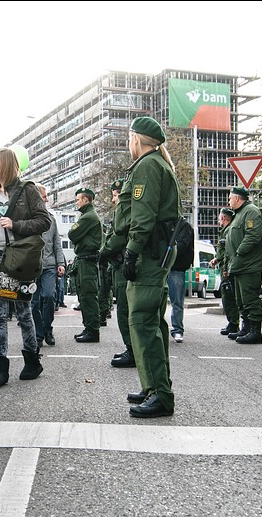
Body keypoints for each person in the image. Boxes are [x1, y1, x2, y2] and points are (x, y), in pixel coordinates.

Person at [118, 116, 182, 418]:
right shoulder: (157, 163)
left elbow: (142, 218)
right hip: (156, 251)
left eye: (129, 137)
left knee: (143, 321)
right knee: (151, 321)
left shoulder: (147, 166)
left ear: (136, 139)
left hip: (148, 253)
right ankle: (153, 385)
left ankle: (160, 393)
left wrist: (131, 251)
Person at [0, 147, 50, 389]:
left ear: (4, 163)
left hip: (19, 259)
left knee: (23, 310)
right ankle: (0, 366)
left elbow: (44, 220)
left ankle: (32, 359)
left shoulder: (27, 190)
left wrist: (16, 224)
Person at [101, 178, 136, 368]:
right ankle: (131, 348)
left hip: (123, 264)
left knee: (124, 310)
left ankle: (132, 350)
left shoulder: (126, 211)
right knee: (124, 309)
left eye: (116, 195)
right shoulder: (123, 211)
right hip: (119, 265)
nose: (114, 199)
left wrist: (104, 250)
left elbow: (118, 237)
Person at [225, 186, 262, 344]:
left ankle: (255, 332)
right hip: (240, 265)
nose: (228, 201)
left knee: (250, 298)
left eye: (230, 198)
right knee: (241, 300)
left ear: (236, 198)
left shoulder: (251, 211)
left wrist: (238, 253)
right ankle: (246, 328)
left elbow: (253, 236)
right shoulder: (239, 214)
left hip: (249, 265)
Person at [31, 183, 65, 348]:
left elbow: (57, 242)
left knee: (50, 296)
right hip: (31, 266)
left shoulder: (51, 218)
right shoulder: (27, 217)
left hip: (49, 266)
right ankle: (38, 334)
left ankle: (47, 329)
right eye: (44, 196)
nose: (46, 199)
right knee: (34, 302)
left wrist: (61, 262)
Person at [68, 187, 102, 343]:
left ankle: (92, 331)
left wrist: (78, 238)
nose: (77, 202)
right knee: (85, 296)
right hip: (84, 259)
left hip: (87, 260)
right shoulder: (87, 216)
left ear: (85, 200)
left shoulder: (88, 217)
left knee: (88, 296)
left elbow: (72, 234)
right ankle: (89, 328)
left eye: (78, 199)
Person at [210, 208, 240, 339]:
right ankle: (232, 323)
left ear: (223, 218)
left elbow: (228, 251)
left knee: (229, 296)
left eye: (219, 218)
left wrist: (226, 268)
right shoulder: (225, 231)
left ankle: (234, 323)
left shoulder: (229, 231)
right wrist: (217, 259)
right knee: (227, 296)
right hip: (224, 266)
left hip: (227, 267)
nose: (218, 220)